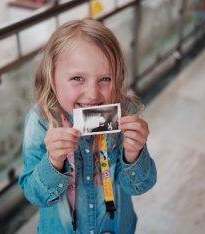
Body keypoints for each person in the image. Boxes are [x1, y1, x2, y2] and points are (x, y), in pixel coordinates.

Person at [18, 18, 157, 234]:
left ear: (117, 77)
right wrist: (54, 162)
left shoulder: (126, 111)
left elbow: (139, 186)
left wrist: (133, 154)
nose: (93, 94)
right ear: (51, 77)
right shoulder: (41, 120)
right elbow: (35, 195)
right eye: (77, 78)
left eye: (105, 78)